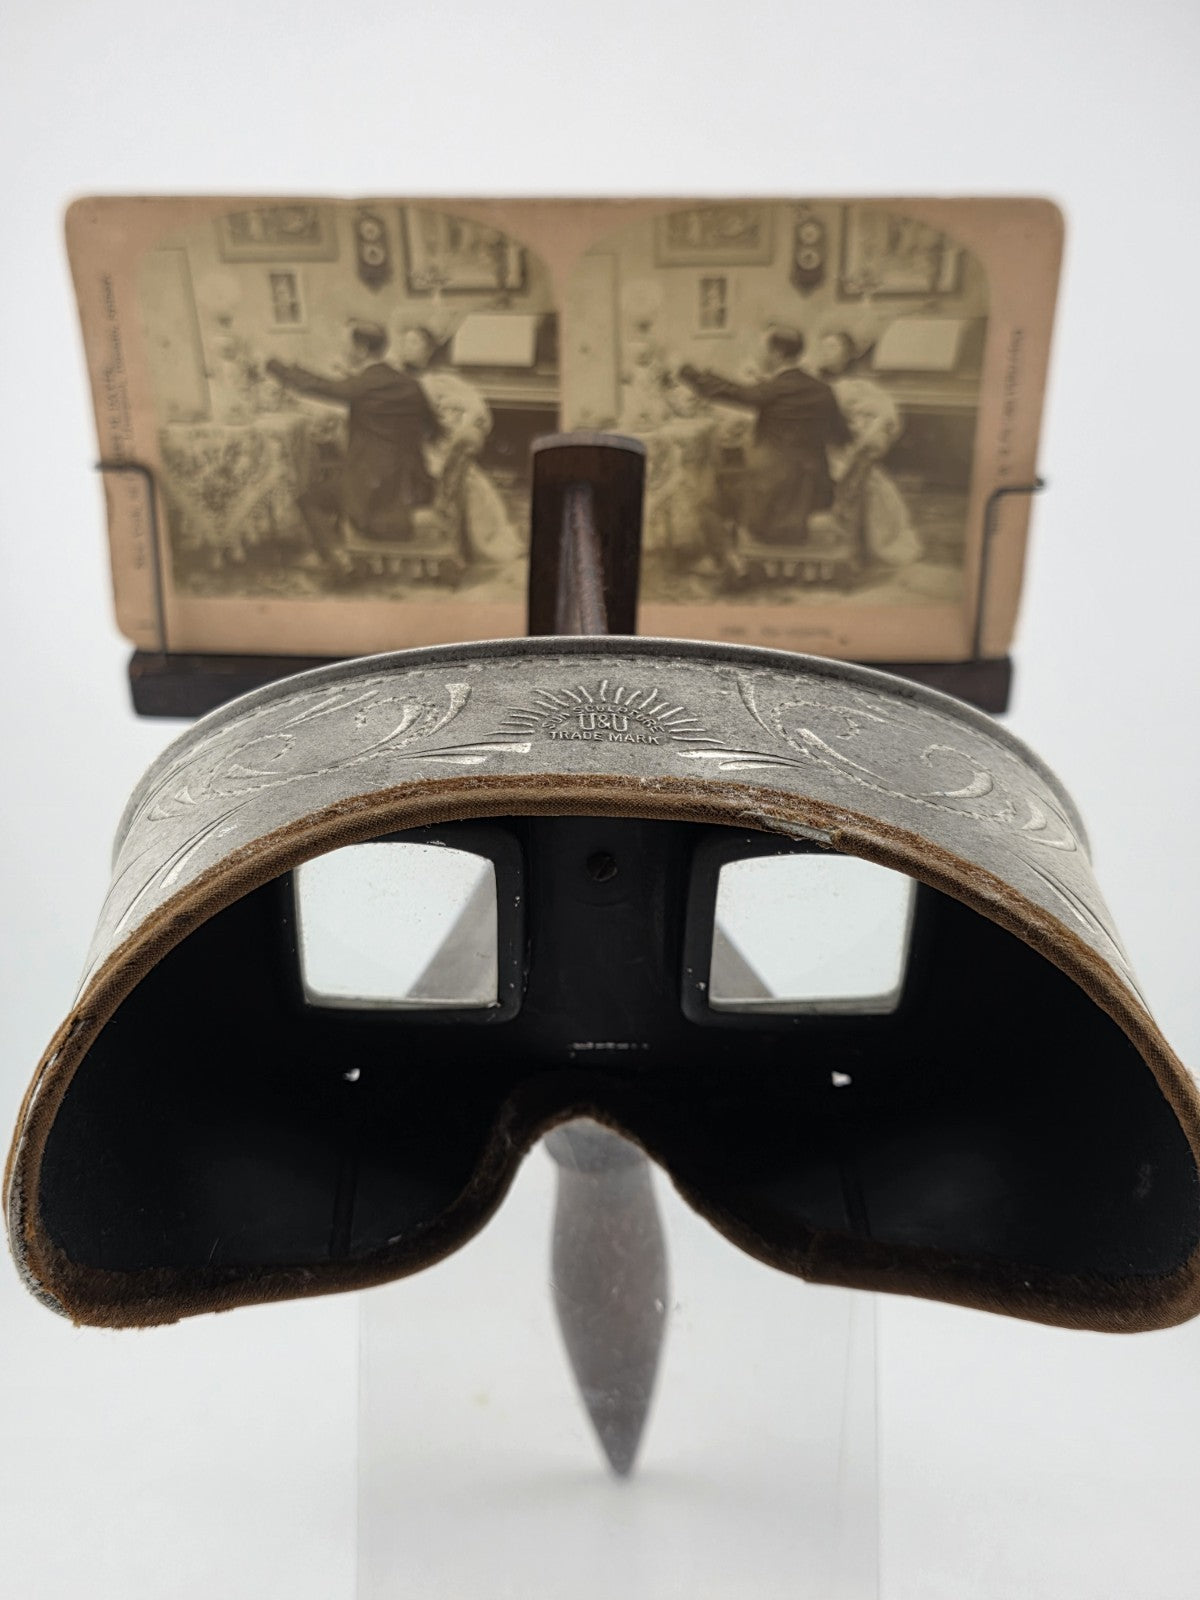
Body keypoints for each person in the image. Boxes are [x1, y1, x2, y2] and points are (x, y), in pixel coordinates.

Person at [267, 321, 439, 550]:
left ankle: (339, 560)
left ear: (361, 349)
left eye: (347, 345)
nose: (343, 349)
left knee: (308, 499)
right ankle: (348, 546)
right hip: (409, 486)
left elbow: (317, 386)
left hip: (372, 491)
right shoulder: (410, 385)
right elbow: (433, 429)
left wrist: (274, 365)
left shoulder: (365, 384)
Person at [678, 323, 850, 544]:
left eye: (763, 348)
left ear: (777, 353)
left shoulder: (776, 389)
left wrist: (688, 372)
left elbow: (731, 392)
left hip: (773, 490)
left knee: (707, 491)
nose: (760, 354)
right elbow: (841, 435)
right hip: (815, 489)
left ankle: (735, 554)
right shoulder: (822, 390)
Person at [399, 323, 524, 564]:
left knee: (463, 479)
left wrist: (457, 427)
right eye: (405, 342)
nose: (407, 347)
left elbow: (476, 411)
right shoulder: (400, 378)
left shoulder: (441, 381)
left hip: (431, 447)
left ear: (428, 350)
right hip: (414, 443)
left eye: (414, 342)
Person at [813, 330, 923, 567]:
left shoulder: (858, 386)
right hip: (822, 446)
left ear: (847, 355)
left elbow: (884, 416)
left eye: (832, 348)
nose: (825, 353)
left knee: (856, 481)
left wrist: (860, 440)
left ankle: (854, 544)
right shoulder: (816, 381)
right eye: (823, 347)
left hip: (843, 450)